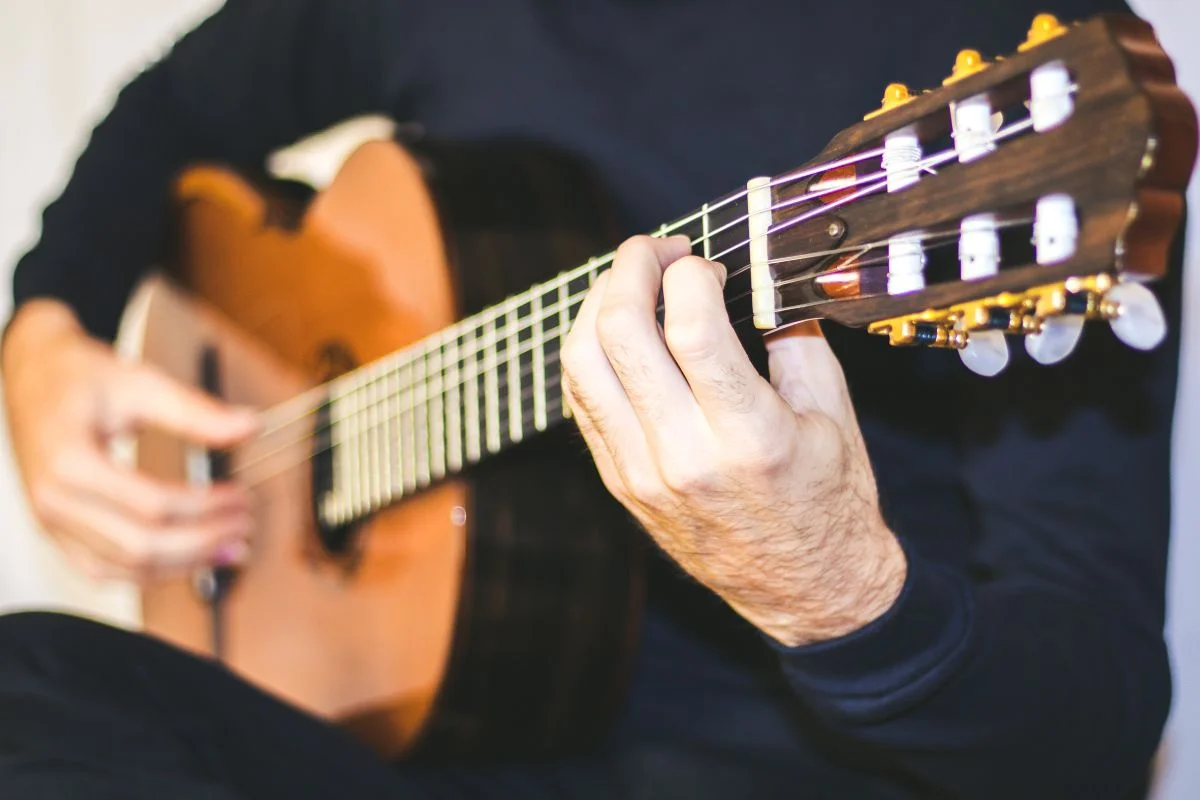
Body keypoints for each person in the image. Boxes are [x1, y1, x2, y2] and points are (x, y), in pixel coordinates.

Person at [0, 0, 1179, 797]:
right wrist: (41, 334)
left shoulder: (991, 77)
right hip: (407, 749)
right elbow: (172, 112)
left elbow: (1100, 729)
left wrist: (838, 592)